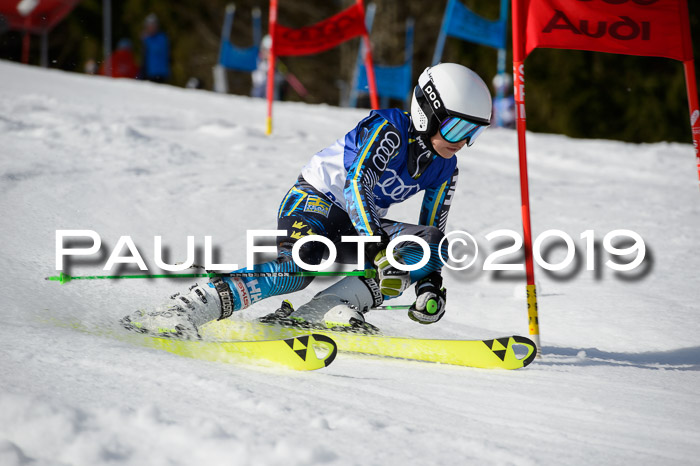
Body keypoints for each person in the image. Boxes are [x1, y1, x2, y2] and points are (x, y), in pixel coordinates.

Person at [121, 63, 492, 339]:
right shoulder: (389, 128)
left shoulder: (446, 168)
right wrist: (379, 247)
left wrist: (430, 286)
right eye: (457, 127)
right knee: (298, 269)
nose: (461, 141)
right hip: (315, 201)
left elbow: (432, 235)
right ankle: (185, 308)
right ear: (427, 112)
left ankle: (314, 314)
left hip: (359, 224)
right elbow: (357, 183)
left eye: (472, 132)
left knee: (425, 247)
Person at [140, 13, 170, 83]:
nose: (150, 28)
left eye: (152, 25)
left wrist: (145, 40)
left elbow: (157, 50)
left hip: (160, 73)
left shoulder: (162, 38)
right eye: (148, 26)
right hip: (149, 73)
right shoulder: (148, 39)